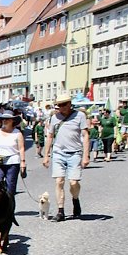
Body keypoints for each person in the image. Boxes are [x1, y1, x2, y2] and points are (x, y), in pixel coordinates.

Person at [42, 93, 90, 222]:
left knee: (74, 182)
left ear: (69, 104)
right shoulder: (54, 117)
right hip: (58, 152)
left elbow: (85, 135)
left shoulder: (80, 116)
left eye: (64, 104)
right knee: (59, 181)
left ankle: (75, 199)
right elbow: (50, 136)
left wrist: (86, 155)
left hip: (75, 152)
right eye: (59, 105)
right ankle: (61, 211)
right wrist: (46, 155)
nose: (61, 107)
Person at [0, 112, 26, 196]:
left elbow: (21, 148)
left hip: (13, 162)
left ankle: (9, 207)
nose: (5, 121)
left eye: (7, 119)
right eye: (3, 119)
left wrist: (22, 163)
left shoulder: (17, 133)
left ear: (12, 121)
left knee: (10, 187)